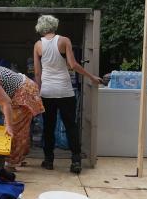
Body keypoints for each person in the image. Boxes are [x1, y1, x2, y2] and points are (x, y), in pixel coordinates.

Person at [33, 15, 103, 174]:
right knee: (71, 125)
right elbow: (73, 65)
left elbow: (37, 73)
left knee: (48, 127)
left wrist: (38, 92)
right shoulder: (64, 40)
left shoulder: (38, 45)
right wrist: (92, 77)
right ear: (54, 25)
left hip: (47, 92)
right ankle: (76, 161)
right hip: (65, 91)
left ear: (41, 28)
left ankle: (49, 160)